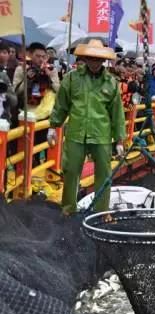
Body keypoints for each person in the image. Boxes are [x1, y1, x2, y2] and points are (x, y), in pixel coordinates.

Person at [47, 39, 125, 215]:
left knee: (104, 174)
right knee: (71, 171)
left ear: (103, 60)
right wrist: (53, 126)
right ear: (85, 58)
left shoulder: (111, 82)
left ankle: (101, 213)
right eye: (91, 58)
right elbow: (61, 104)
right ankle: (68, 210)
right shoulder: (72, 78)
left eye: (98, 59)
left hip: (102, 134)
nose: (95, 62)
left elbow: (117, 113)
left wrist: (119, 139)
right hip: (76, 132)